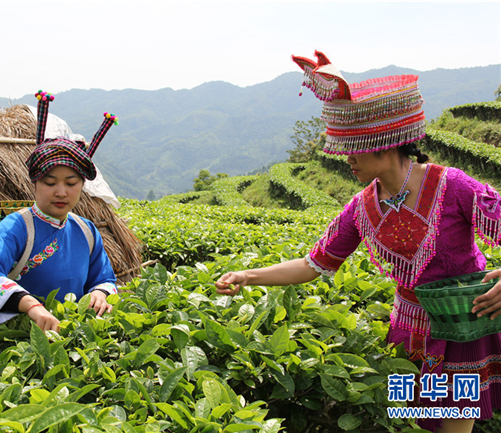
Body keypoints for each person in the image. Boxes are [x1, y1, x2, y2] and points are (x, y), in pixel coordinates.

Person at [215, 51, 501, 433]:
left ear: (383, 143)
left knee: (453, 427)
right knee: (412, 422)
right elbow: (313, 264)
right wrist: (248, 275)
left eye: (352, 148)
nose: (345, 159)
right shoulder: (362, 207)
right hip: (408, 329)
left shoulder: (453, 186)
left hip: (461, 326)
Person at [0, 90, 120, 332]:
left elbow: (104, 278)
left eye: (71, 183)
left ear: (82, 185)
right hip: (20, 341)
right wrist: (31, 306)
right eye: (50, 183)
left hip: (74, 338)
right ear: (35, 183)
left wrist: (101, 293)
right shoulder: (16, 227)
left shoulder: (87, 231)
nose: (61, 192)